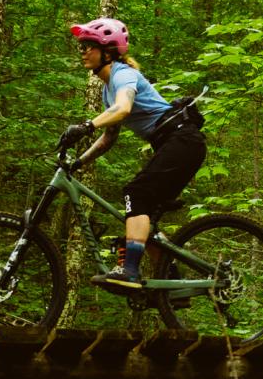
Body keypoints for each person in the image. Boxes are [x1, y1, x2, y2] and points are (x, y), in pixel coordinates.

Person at [66, 17, 206, 294]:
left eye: (89, 46)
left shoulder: (123, 75)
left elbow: (124, 109)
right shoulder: (108, 90)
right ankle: (174, 287)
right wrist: (79, 162)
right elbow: (109, 138)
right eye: (81, 46)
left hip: (182, 140)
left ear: (108, 51)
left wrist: (87, 125)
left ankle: (129, 270)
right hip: (177, 144)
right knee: (144, 220)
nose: (83, 51)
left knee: (136, 194)